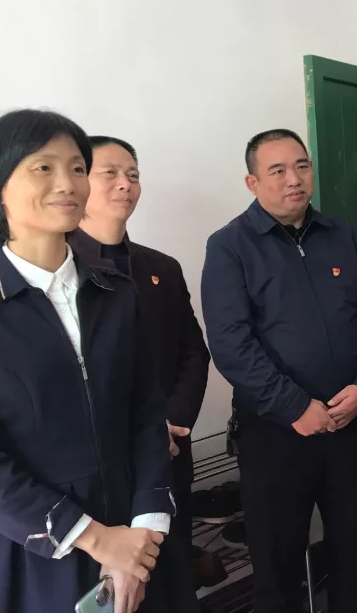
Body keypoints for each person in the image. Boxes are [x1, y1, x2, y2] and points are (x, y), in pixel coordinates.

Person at [0, 110, 174, 613]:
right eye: (44, 168)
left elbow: (145, 413)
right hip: (27, 548)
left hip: (132, 532)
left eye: (77, 168)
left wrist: (143, 531)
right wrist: (97, 539)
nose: (68, 183)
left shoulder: (115, 292)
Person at [201, 128, 357, 613]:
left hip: (351, 425)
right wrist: (295, 406)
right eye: (278, 170)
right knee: (277, 567)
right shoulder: (229, 246)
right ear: (252, 183)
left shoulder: (341, 235)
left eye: (302, 166)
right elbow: (231, 344)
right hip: (276, 435)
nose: (294, 179)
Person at [69, 135, 210, 612]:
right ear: (79, 181)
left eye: (133, 174)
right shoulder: (61, 270)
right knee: (111, 595)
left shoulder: (160, 268)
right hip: (100, 471)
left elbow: (193, 351)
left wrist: (172, 422)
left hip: (168, 454)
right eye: (110, 173)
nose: (125, 184)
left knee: (173, 583)